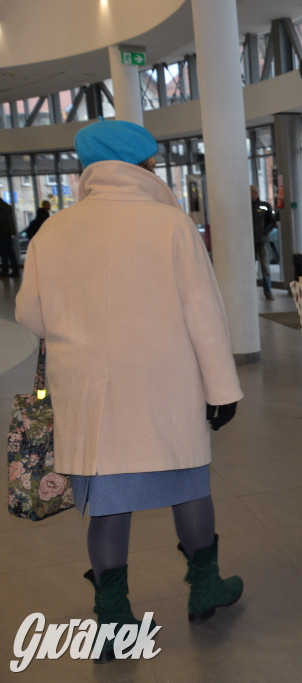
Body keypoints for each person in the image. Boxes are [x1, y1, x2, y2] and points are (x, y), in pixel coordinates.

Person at [15, 119, 244, 661]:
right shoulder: (170, 224)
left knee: (108, 508)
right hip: (166, 389)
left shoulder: (54, 231)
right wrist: (222, 388)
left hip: (91, 396)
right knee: (188, 486)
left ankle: (113, 623)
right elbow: (203, 314)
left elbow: (32, 316)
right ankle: (206, 589)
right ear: (143, 166)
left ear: (88, 168)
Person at [251, 185, 276, 300]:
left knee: (265, 266)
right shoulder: (246, 207)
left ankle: (268, 291)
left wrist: (264, 232)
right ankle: (251, 291)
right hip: (250, 242)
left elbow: (271, 221)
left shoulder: (264, 206)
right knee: (250, 267)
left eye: (252, 192)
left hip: (262, 241)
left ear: (256, 193)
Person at [0, 195, 18, 277]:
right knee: (10, 252)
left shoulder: (1, 207)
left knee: (4, 253)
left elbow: (1, 221)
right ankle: (15, 270)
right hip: (9, 232)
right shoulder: (7, 206)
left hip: (2, 233)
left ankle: (5, 271)